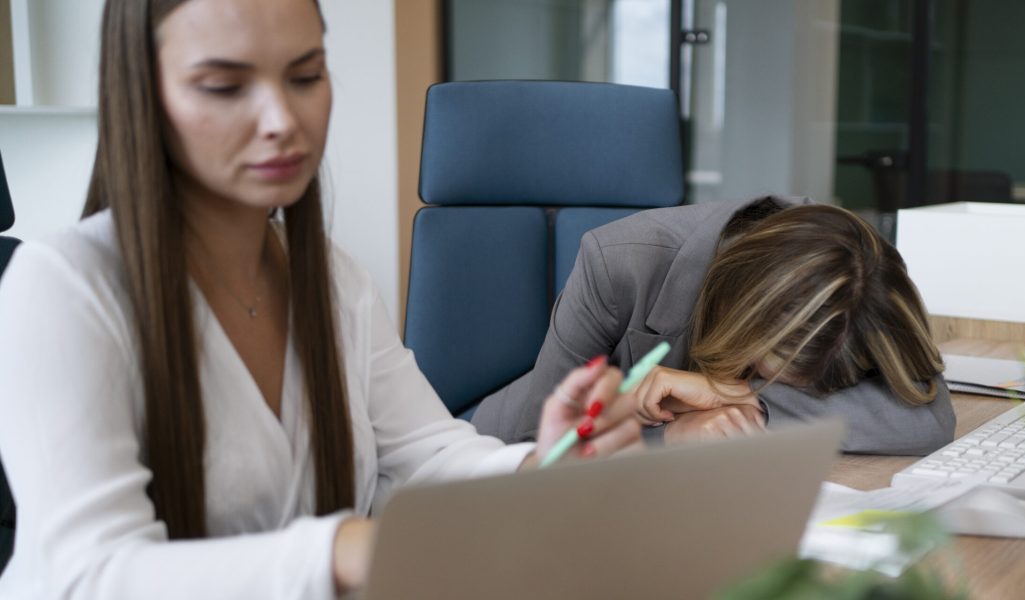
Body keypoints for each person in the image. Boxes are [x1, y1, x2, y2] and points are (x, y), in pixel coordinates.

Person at [0, 1, 641, 598]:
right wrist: (337, 548)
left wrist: (544, 464)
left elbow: (428, 454)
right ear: (143, 95)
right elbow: (90, 574)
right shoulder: (61, 286)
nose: (283, 120)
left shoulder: (334, 279)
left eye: (305, 76)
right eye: (225, 87)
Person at [472, 197, 956, 453]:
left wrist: (746, 400)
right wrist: (675, 438)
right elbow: (541, 452)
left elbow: (927, 417)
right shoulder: (620, 261)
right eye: (778, 372)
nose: (799, 391)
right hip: (493, 455)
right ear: (747, 319)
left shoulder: (850, 269)